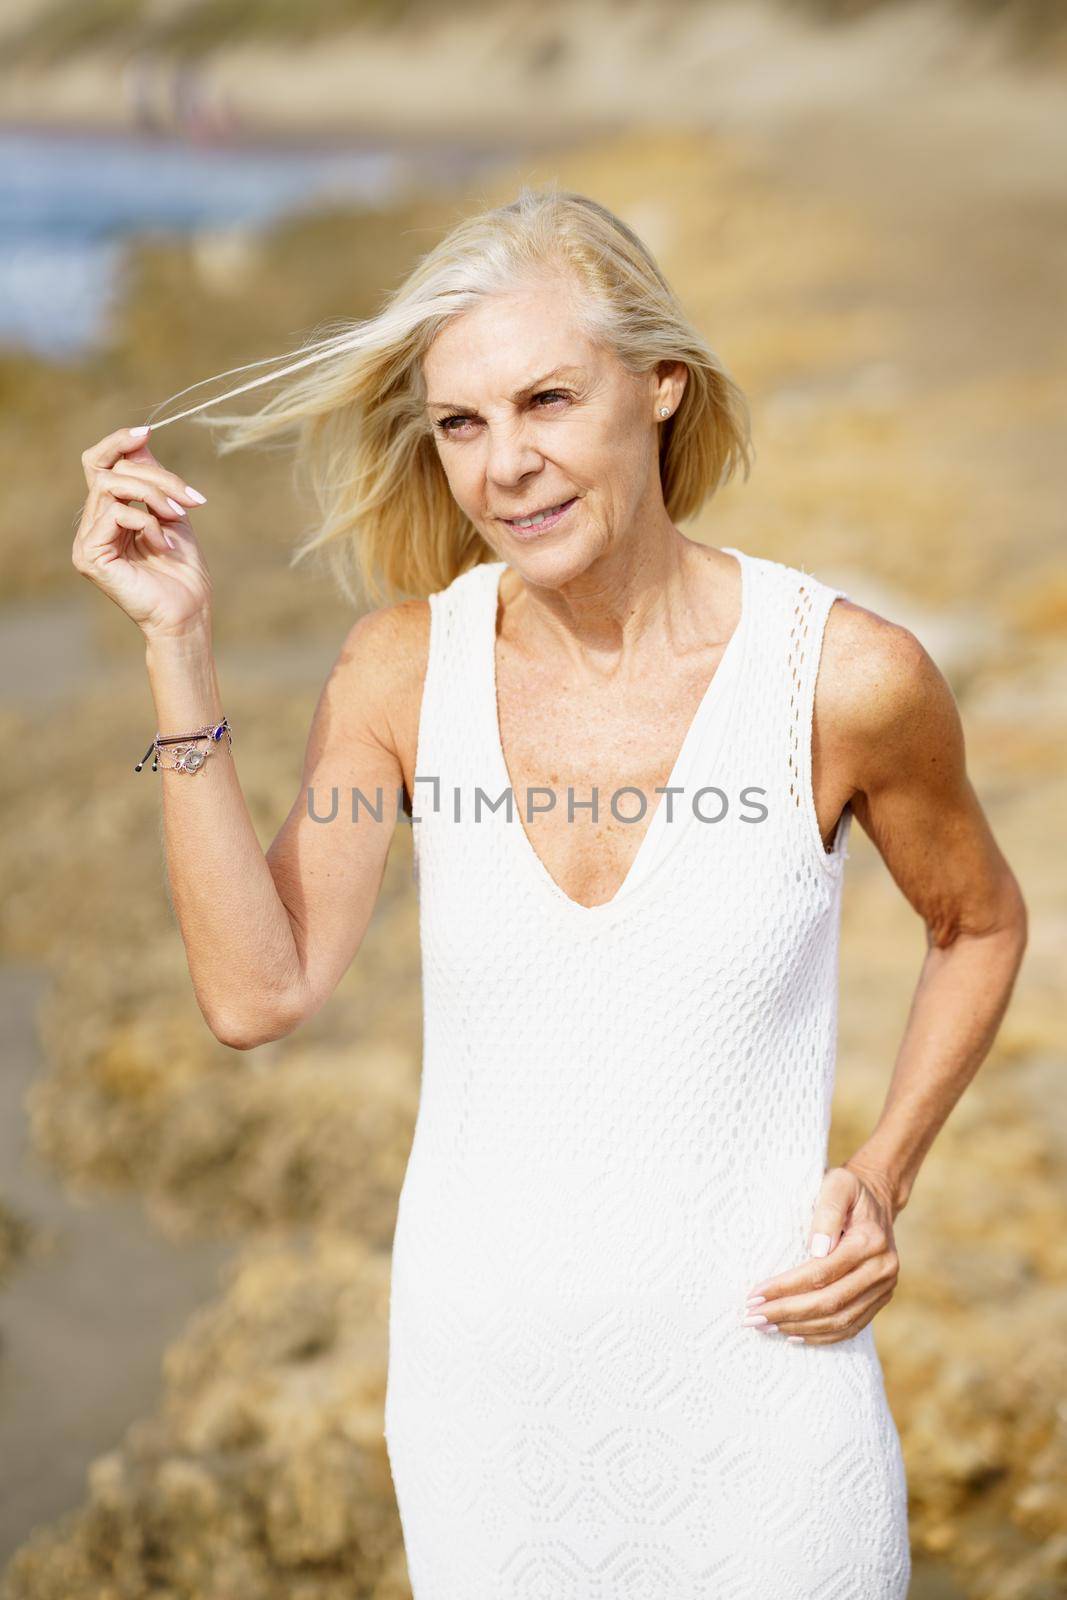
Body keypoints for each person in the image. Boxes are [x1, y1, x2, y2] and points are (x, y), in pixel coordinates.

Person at [71, 187, 1027, 1596]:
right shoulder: (403, 674)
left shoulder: (843, 679)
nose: (505, 464)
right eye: (462, 423)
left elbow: (980, 924)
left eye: (546, 401)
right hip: (488, 1419)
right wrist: (179, 646)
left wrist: (882, 1176)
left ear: (659, 387)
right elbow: (254, 992)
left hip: (772, 1395)